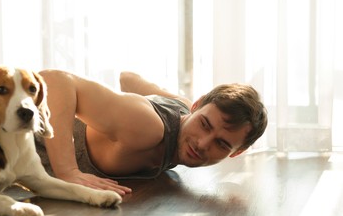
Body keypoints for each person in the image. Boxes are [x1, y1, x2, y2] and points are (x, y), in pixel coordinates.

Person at [35, 70, 267, 196]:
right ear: (196, 105)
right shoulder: (147, 128)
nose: (203, 143)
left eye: (222, 144)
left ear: (237, 153)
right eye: (205, 124)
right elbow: (54, 80)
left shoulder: (182, 105)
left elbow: (128, 78)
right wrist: (68, 171)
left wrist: (121, 105)